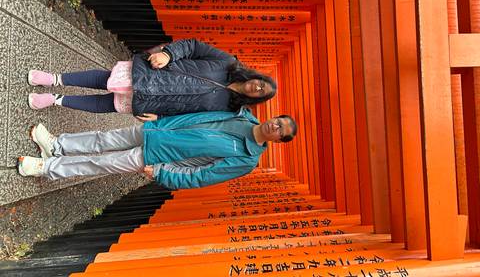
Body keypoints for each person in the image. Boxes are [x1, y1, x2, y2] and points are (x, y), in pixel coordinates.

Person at [18, 108, 297, 189]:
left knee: (102, 163)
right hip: (156, 131)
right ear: (274, 116)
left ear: (278, 141)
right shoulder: (240, 115)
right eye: (279, 121)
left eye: (281, 131)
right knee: (103, 139)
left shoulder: (246, 159)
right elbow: (194, 117)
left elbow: (203, 175)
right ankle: (57, 145)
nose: (276, 126)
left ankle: (46, 168)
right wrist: (161, 120)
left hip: (158, 156)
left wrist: (163, 174)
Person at [27, 39, 277, 121]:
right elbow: (193, 46)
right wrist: (168, 55)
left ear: (257, 98)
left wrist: (161, 119)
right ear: (258, 76)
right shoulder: (227, 63)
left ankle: (55, 100)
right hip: (155, 73)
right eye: (261, 83)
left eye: (261, 92)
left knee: (106, 105)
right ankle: (54, 79)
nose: (257, 88)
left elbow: (191, 118)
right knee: (105, 80)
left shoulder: (229, 108)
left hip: (158, 104)